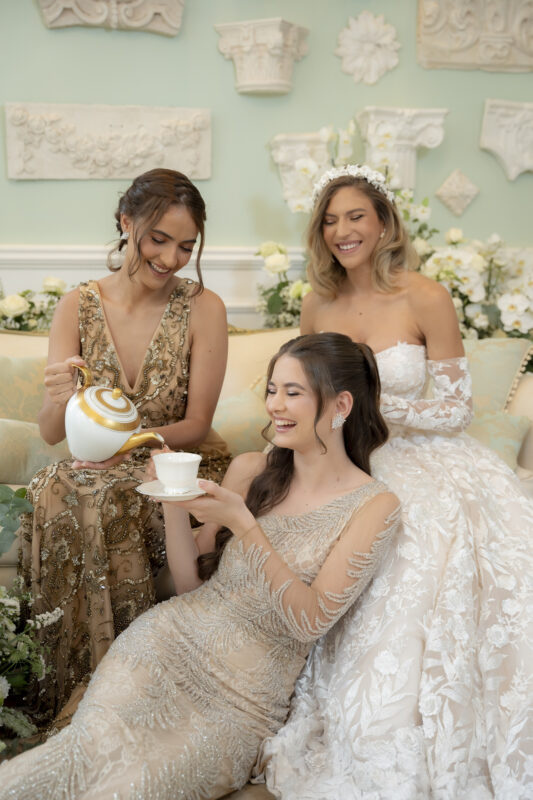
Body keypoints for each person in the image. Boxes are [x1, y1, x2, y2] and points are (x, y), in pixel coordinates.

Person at [0, 333, 401, 799]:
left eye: (293, 393)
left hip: (242, 701)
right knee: (76, 756)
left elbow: (311, 620)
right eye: (272, 390)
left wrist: (244, 525)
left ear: (341, 404)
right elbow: (189, 583)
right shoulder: (251, 469)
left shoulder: (374, 505)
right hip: (165, 645)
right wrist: (172, 500)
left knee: (131, 788)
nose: (275, 405)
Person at [257, 165, 533, 799]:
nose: (342, 231)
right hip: (348, 456)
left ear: (384, 223)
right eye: (330, 221)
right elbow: (302, 393)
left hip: (423, 455)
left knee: (422, 539)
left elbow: (456, 409)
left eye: (356, 216)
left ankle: (418, 720)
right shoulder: (317, 303)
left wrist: (373, 409)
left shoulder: (425, 296)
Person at [18, 168, 231, 727]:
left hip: (172, 459)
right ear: (126, 223)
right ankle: (69, 689)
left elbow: (197, 423)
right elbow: (51, 433)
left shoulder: (204, 307)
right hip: (94, 465)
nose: (171, 258)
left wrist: (129, 446)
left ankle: (129, 694)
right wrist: (58, 396)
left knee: (105, 491)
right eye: (158, 239)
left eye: (186, 246)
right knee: (54, 483)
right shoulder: (77, 305)